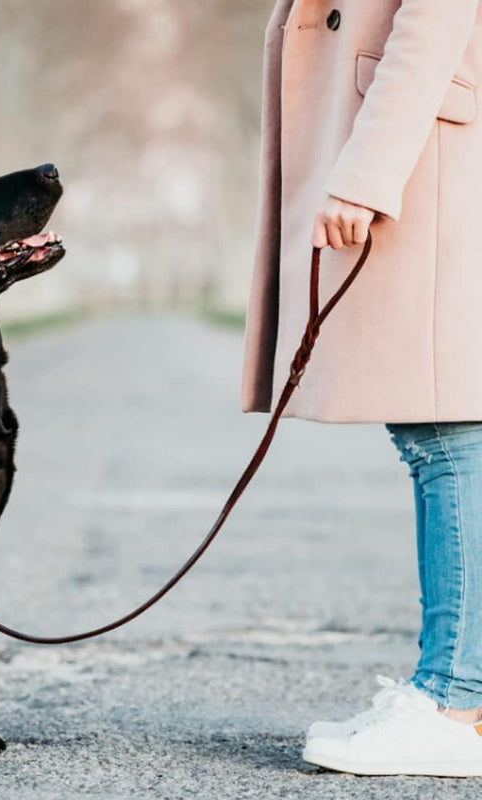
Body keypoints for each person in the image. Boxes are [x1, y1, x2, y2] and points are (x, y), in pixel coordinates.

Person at [241, 0, 482, 777]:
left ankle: (456, 703)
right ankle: (451, 693)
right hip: (416, 139)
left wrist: (368, 170)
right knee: (441, 428)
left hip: (420, 147)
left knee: (450, 427)